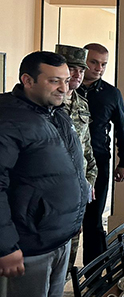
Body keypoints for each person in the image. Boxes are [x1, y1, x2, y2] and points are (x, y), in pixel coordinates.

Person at [0, 51, 89, 297]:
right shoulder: (9, 119)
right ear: (28, 80)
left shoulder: (56, 113)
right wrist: (5, 247)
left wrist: (74, 215)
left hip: (58, 238)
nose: (64, 88)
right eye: (54, 81)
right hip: (27, 248)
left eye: (65, 80)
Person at [77, 43, 124, 266]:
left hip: (99, 163)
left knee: (93, 220)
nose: (98, 68)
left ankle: (95, 275)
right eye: (93, 62)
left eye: (103, 64)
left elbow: (122, 128)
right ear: (82, 60)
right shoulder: (66, 89)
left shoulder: (111, 93)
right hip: (65, 164)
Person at [54, 44, 98, 276]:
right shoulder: (47, 104)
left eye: (81, 70)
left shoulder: (82, 104)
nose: (77, 75)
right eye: (72, 69)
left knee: (70, 249)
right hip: (52, 192)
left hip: (77, 190)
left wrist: (89, 181)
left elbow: (87, 150)